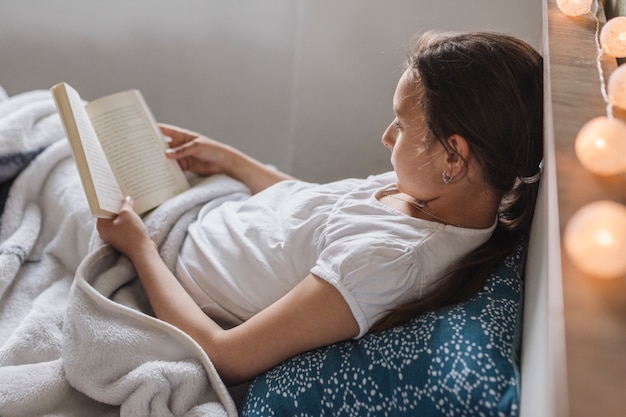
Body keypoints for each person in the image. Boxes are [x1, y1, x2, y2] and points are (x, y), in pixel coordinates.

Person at [96, 30, 543, 386]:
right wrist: (229, 159)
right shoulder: (436, 191)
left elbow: (225, 356)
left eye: (402, 125)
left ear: (453, 156)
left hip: (172, 261)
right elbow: (320, 211)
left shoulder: (386, 262)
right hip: (211, 211)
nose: (387, 136)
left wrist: (139, 249)